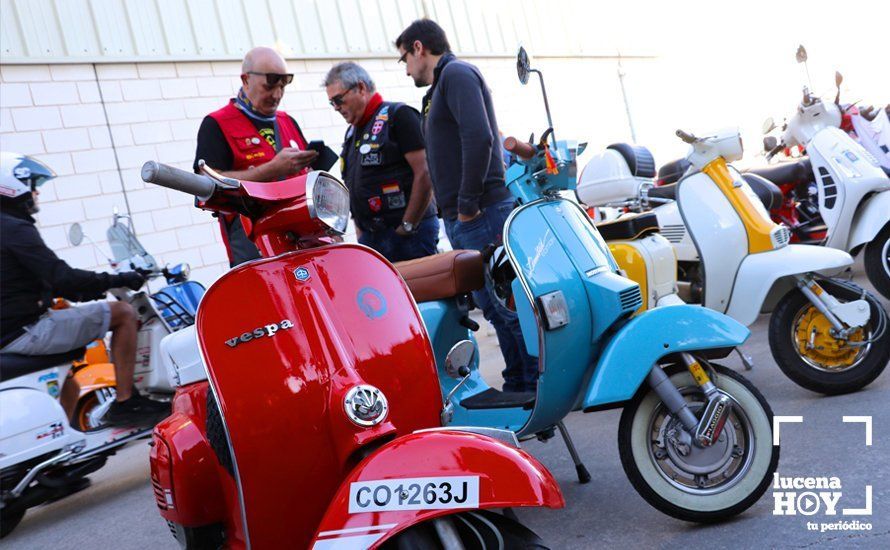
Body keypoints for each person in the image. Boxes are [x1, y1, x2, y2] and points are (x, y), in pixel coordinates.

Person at [395, 20, 538, 392]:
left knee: (505, 305)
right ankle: (522, 381)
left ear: (418, 48)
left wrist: (468, 204)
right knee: (493, 307)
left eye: (404, 60)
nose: (406, 69)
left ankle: (528, 384)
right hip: (466, 217)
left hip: (481, 212)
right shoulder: (441, 87)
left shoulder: (457, 74)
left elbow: (479, 136)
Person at [0, 152, 169, 427]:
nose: (36, 193)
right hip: (26, 331)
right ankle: (127, 401)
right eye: (32, 185)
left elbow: (42, 279)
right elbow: (61, 276)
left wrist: (84, 290)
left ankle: (61, 449)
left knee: (72, 385)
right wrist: (117, 280)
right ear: (13, 185)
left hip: (10, 330)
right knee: (123, 313)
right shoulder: (14, 228)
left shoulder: (6, 226)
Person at [194, 46, 318, 266]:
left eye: (282, 87)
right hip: (254, 239)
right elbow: (207, 184)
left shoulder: (287, 121)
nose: (277, 95)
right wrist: (272, 170)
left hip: (303, 235)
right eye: (270, 86)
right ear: (246, 79)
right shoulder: (217, 124)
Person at [323, 62, 438, 262]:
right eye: (332, 103)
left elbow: (425, 172)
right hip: (373, 238)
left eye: (339, 100)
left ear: (360, 88)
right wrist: (361, 230)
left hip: (407, 234)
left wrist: (408, 226)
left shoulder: (399, 115)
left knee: (423, 293)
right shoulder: (353, 131)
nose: (336, 108)